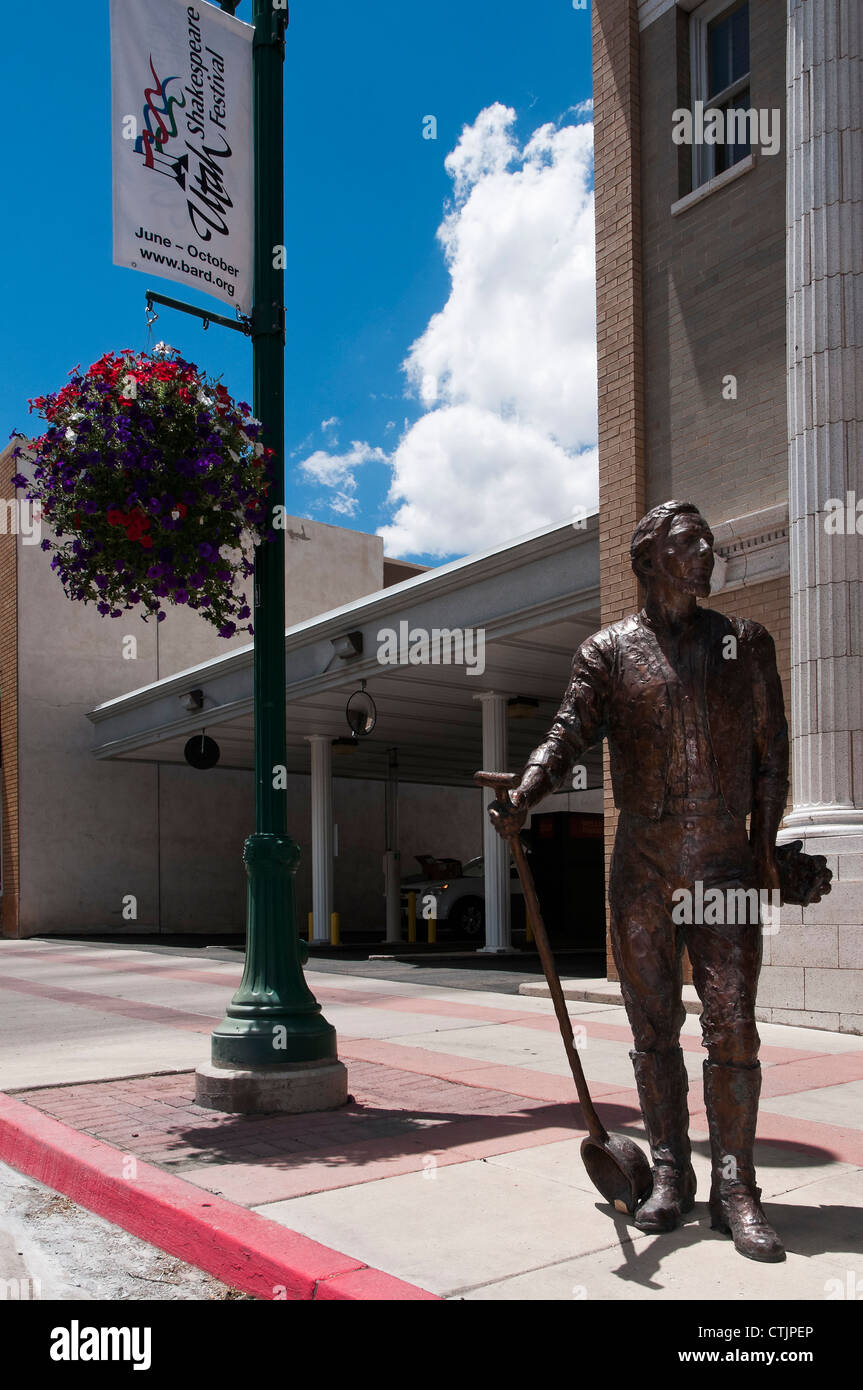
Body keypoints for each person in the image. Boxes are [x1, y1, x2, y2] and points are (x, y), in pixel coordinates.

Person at [489, 499, 830, 1262]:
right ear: (648, 560)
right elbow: (566, 731)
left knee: (732, 1025)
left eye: (706, 540)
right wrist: (523, 795)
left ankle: (736, 1186)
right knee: (651, 1029)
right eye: (686, 542)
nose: (705, 550)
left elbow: (770, 755)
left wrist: (766, 849)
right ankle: (671, 1171)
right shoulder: (607, 652)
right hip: (641, 865)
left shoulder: (745, 642)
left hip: (723, 865)